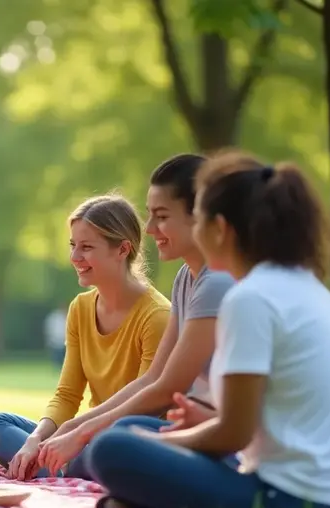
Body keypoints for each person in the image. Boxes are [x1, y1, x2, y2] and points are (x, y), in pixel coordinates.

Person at [85, 151, 330, 508]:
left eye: (200, 217)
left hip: (298, 504)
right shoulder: (302, 285)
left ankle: (145, 499)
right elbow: (258, 425)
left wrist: (163, 444)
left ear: (220, 229)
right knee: (127, 434)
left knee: (113, 449)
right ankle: (144, 499)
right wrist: (201, 423)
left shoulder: (250, 299)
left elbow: (232, 435)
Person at [36, 154, 236, 475]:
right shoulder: (188, 277)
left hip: (226, 439)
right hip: (204, 429)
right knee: (7, 425)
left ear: (199, 217)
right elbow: (154, 377)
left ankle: (72, 464)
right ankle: (70, 462)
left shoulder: (216, 283)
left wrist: (80, 433)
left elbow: (165, 390)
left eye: (161, 216)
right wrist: (68, 430)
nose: (150, 227)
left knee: (115, 440)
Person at [0, 192, 171, 480]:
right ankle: (56, 466)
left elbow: (145, 409)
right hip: (83, 435)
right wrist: (35, 440)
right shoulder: (81, 308)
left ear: (122, 249)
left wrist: (76, 436)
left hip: (124, 438)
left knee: (104, 448)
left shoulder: (156, 316)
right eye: (73, 245)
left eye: (86, 247)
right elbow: (68, 395)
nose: (74, 257)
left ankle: (58, 468)